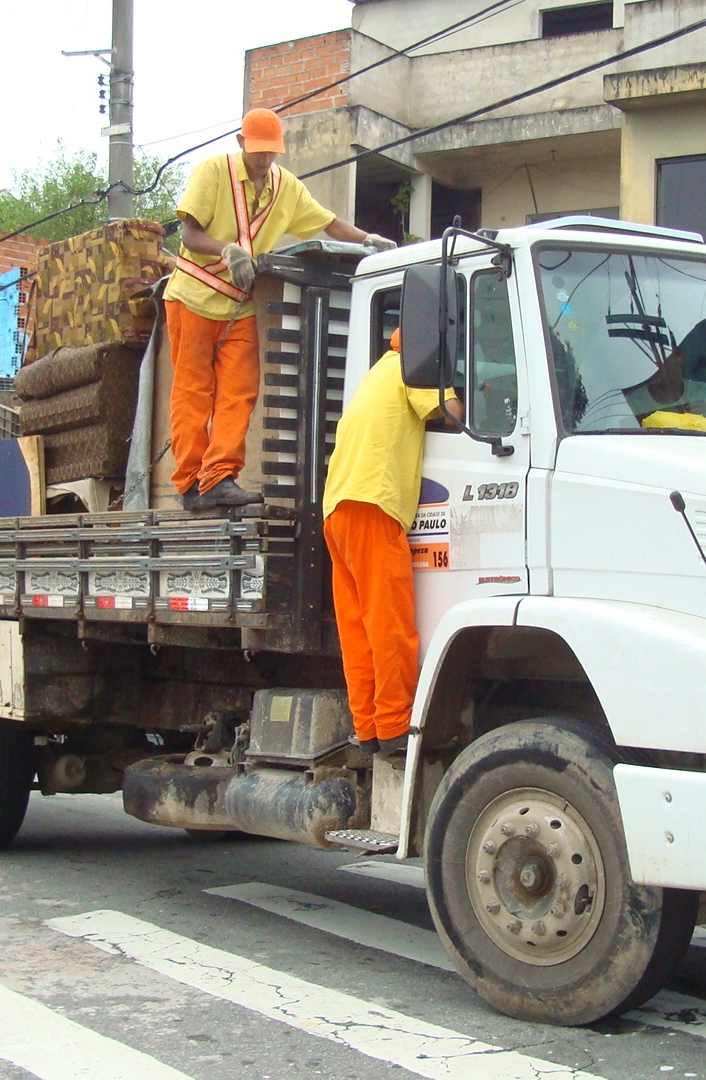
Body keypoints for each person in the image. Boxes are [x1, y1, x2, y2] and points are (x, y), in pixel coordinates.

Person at [166, 108, 394, 511]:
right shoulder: (213, 173)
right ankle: (189, 484)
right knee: (194, 393)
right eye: (258, 150)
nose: (265, 158)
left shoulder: (284, 187)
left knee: (239, 392)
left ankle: (219, 477)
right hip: (194, 297)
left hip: (239, 305)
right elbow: (189, 233)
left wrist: (369, 239)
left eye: (271, 151)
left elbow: (327, 222)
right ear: (241, 144)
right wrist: (228, 249)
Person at [323, 329, 462, 755]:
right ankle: (395, 727)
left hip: (338, 507)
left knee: (358, 629)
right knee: (390, 625)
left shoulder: (380, 370)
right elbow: (456, 415)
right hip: (374, 505)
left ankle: (368, 730)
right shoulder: (416, 367)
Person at [626, 348, 706, 422]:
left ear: (679, 356)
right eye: (646, 356)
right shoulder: (627, 405)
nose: (654, 363)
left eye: (660, 355)